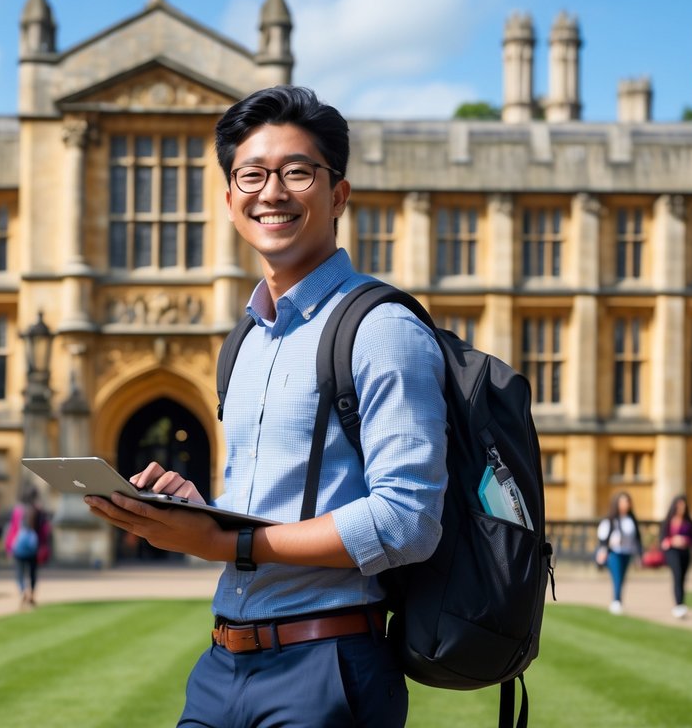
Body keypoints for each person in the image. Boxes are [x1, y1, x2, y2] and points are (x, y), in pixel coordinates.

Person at [86, 85, 448, 727]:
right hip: (223, 661)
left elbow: (407, 520)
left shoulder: (380, 328)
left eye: (297, 172)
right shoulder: (244, 342)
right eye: (251, 175)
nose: (271, 192)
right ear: (228, 199)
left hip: (326, 662)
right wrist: (192, 513)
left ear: (338, 193)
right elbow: (258, 511)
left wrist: (235, 546)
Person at [596, 492, 642, 615]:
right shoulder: (610, 520)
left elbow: (637, 538)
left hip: (627, 552)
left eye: (627, 502)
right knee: (617, 576)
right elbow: (603, 539)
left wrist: (638, 555)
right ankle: (616, 601)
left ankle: (618, 600)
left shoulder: (631, 520)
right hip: (614, 552)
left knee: (622, 577)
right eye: (623, 502)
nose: (626, 504)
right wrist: (604, 550)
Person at [5, 486, 51, 609]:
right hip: (33, 546)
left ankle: (22, 590)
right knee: (32, 573)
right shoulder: (39, 511)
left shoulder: (18, 510)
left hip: (19, 545)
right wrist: (42, 545)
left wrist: (9, 546)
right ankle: (31, 595)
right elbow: (44, 531)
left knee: (19, 572)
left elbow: (13, 529)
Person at [659, 494, 692, 618]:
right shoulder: (668, 521)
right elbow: (662, 539)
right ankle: (678, 604)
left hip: (685, 552)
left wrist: (685, 540)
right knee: (677, 575)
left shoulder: (689, 522)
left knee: (682, 578)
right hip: (672, 552)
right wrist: (672, 541)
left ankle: (681, 603)